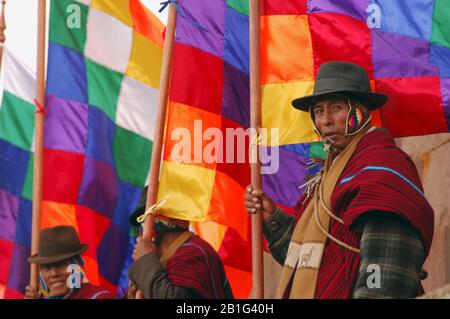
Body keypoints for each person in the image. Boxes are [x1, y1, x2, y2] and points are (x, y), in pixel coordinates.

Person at [244, 61, 434, 299]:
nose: (325, 120)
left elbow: (384, 273)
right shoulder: (327, 178)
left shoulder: (380, 170)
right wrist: (274, 220)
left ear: (361, 110)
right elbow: (311, 265)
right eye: (319, 111)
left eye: (335, 107)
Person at [127, 201, 234, 299]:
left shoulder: (193, 252)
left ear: (157, 225)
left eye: (143, 224)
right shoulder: (165, 261)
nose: (140, 237)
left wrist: (145, 264)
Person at [25, 226, 114, 299]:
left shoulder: (101, 297)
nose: (53, 273)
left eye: (61, 264)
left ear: (78, 264)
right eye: (46, 267)